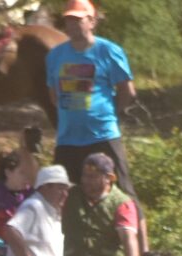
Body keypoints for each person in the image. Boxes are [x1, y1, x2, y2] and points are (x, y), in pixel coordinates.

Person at [45, 0, 137, 199]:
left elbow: (127, 91)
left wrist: (109, 114)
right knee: (65, 195)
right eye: (69, 20)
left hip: (102, 135)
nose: (72, 24)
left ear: (92, 21)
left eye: (78, 19)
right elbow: (54, 96)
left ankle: (133, 221)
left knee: (121, 191)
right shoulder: (55, 56)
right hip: (68, 138)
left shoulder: (108, 51)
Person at [61, 150, 140, 256]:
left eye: (92, 177)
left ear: (109, 178)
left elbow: (129, 239)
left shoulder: (122, 203)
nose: (86, 180)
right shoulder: (71, 195)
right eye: (84, 175)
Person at [0, 165, 70, 256]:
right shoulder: (34, 206)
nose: (65, 194)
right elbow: (11, 231)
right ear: (45, 187)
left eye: (66, 189)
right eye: (60, 188)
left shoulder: (52, 211)